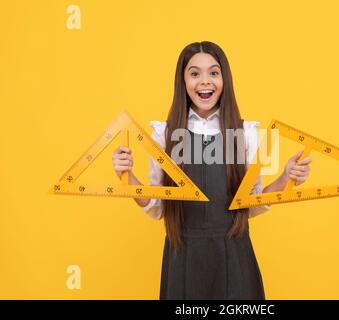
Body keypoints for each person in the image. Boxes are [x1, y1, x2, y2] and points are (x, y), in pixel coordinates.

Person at [112, 41, 312, 299]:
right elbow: (156, 206)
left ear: (224, 79)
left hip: (235, 257)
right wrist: (127, 178)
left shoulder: (246, 133)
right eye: (194, 73)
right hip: (182, 257)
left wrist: (286, 177)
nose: (204, 81)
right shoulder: (164, 134)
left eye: (213, 73)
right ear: (183, 82)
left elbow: (253, 202)